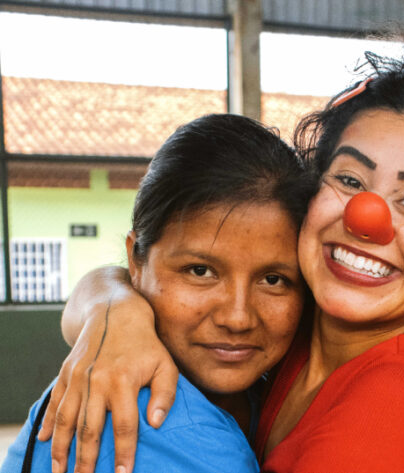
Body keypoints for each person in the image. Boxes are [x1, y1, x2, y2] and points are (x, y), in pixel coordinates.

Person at [35, 16, 404, 473]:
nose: (366, 218)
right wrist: (113, 310)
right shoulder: (298, 323)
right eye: (350, 181)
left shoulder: (397, 410)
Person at [0, 113, 317, 473]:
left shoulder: (265, 393)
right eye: (200, 271)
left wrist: (109, 302)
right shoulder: (166, 433)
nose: (238, 318)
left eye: (273, 280)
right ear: (136, 259)